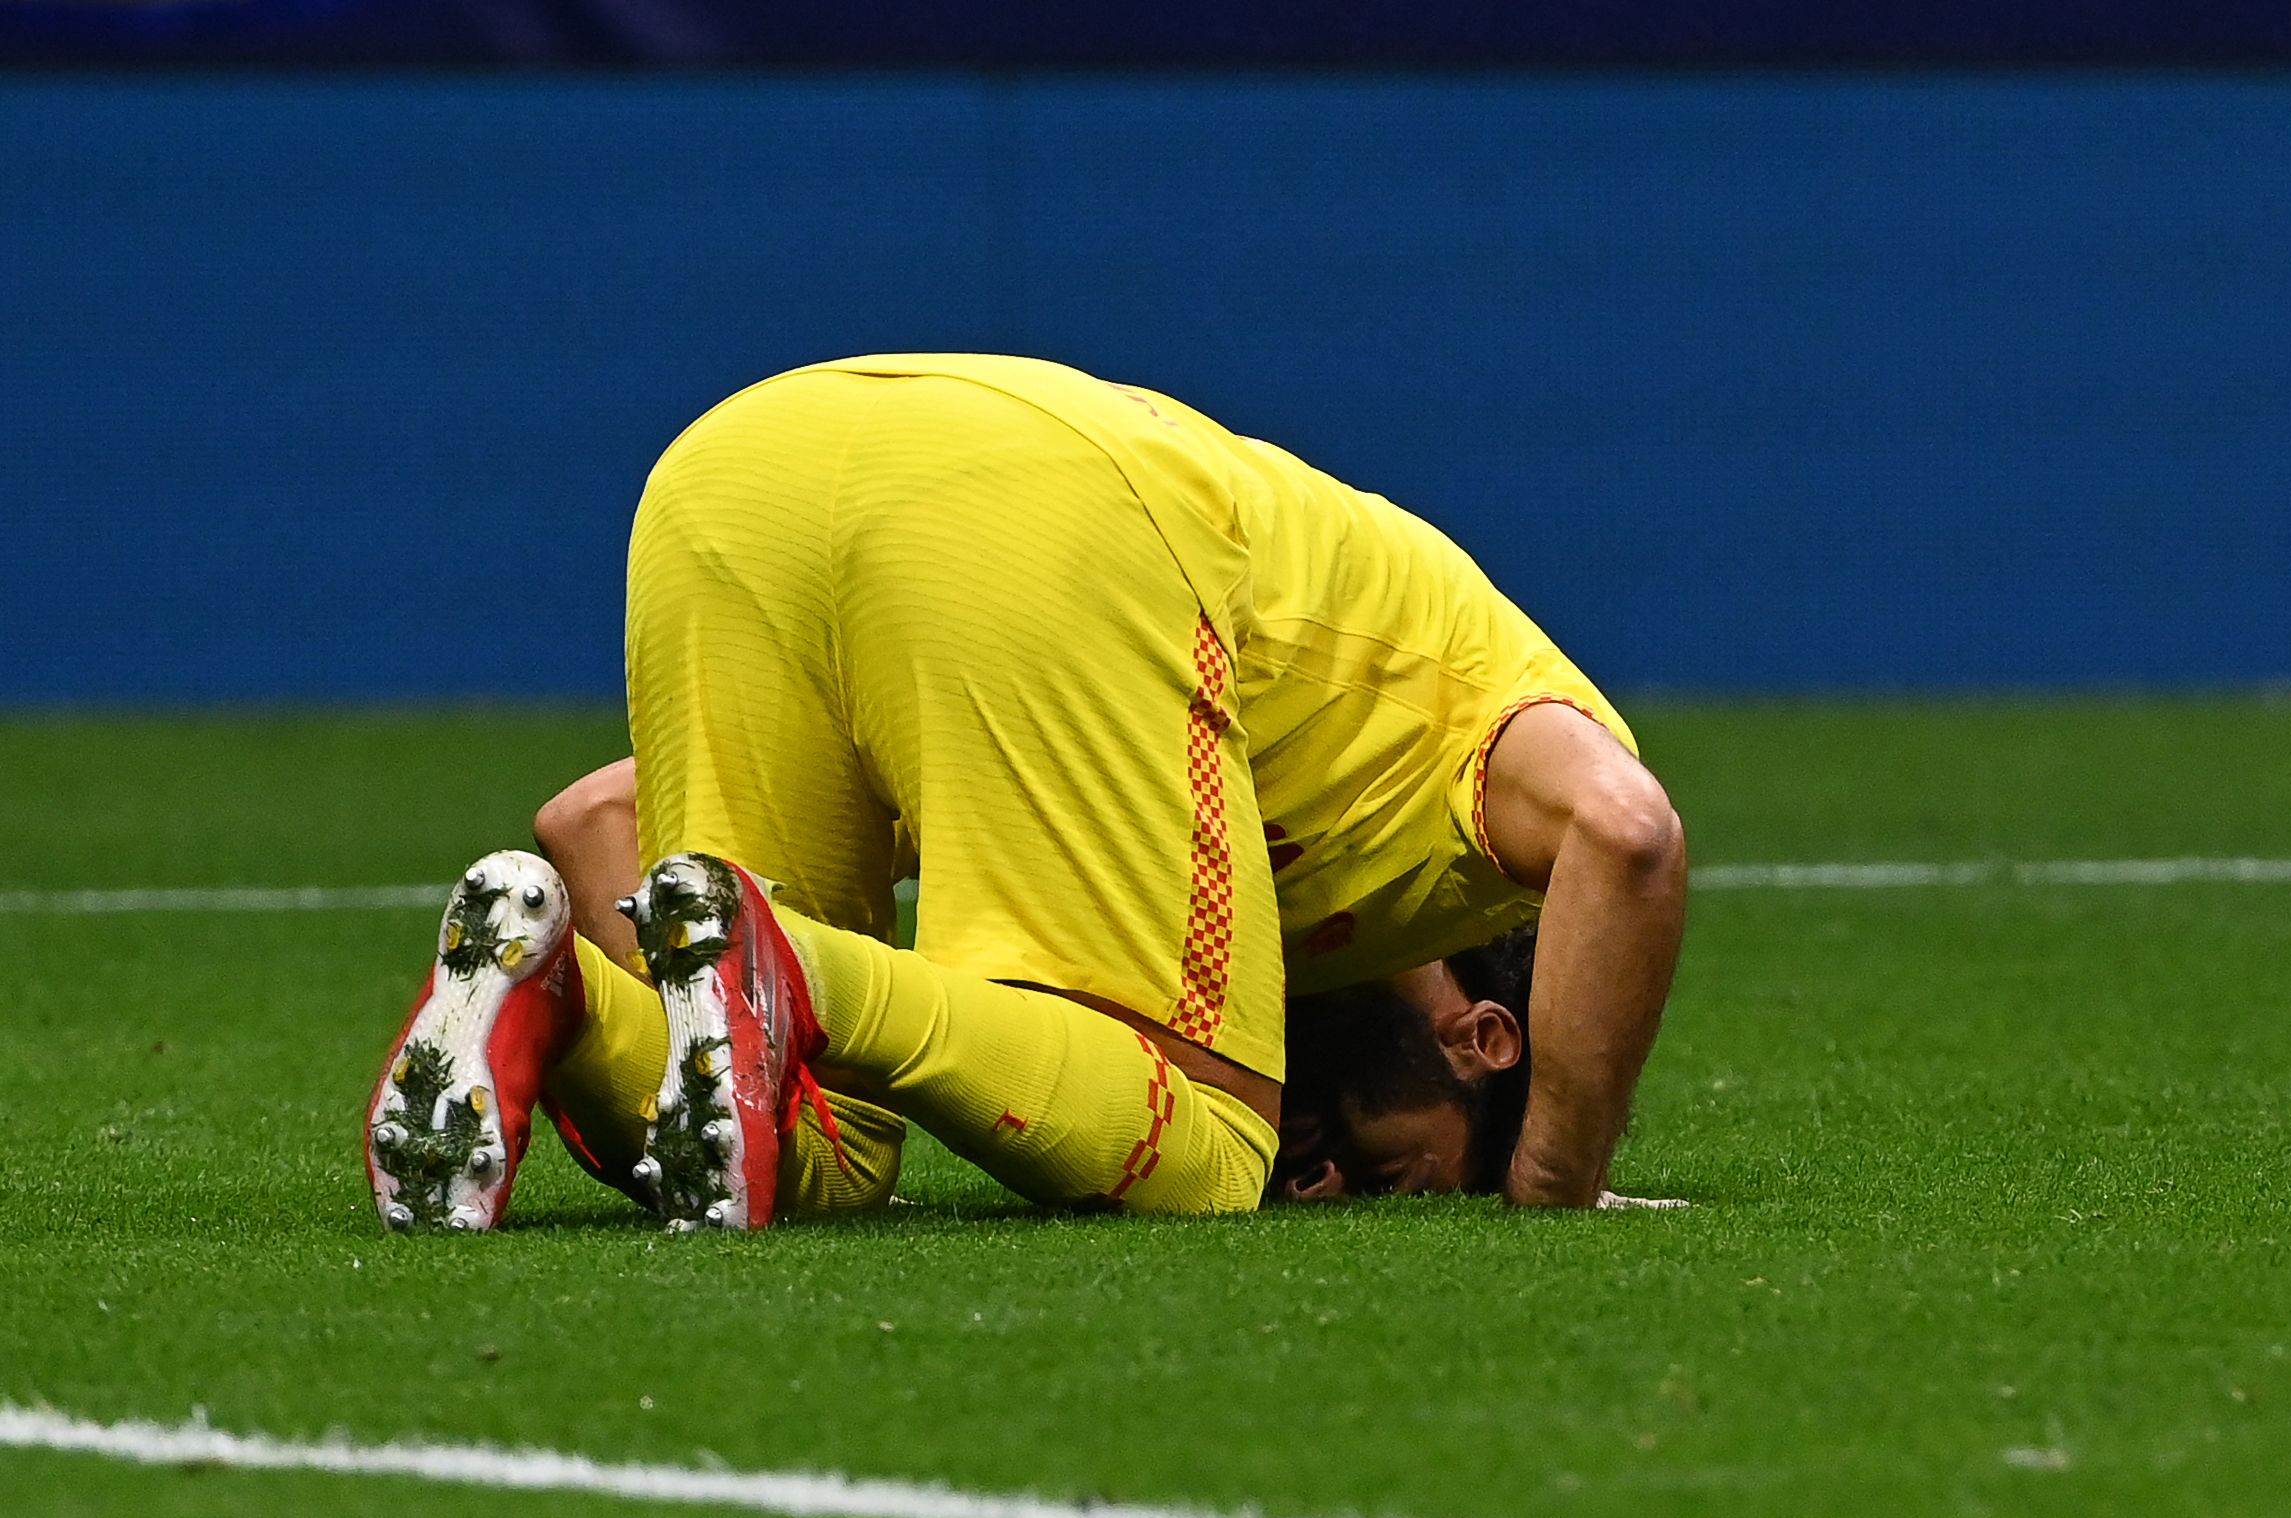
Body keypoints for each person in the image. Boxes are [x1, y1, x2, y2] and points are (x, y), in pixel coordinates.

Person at [361, 354, 1686, 1232]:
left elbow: (595, 821)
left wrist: (650, 992)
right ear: (1482, 1040)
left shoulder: (1280, 769)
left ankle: (550, 984)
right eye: (1398, 1169)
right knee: (1207, 1147)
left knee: (825, 1150)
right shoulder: (1475, 814)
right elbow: (1626, 832)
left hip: (732, 473)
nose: (1331, 1168)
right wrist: (1554, 1185)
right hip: (1051, 503)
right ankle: (798, 973)